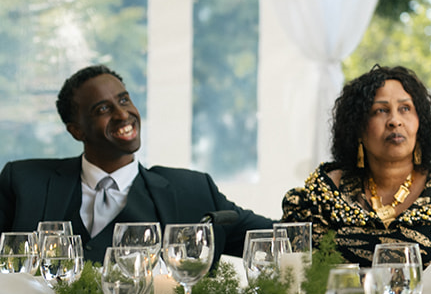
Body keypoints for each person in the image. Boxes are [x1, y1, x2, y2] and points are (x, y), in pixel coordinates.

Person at [0, 64, 275, 263]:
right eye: (103, 109)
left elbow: (276, 238)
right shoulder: (24, 181)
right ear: (76, 131)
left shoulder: (192, 191)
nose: (123, 114)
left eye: (124, 100)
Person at [280, 65, 431, 275]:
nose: (395, 121)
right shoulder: (325, 193)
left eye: (405, 108)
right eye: (380, 110)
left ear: (421, 122)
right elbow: (296, 279)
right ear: (357, 126)